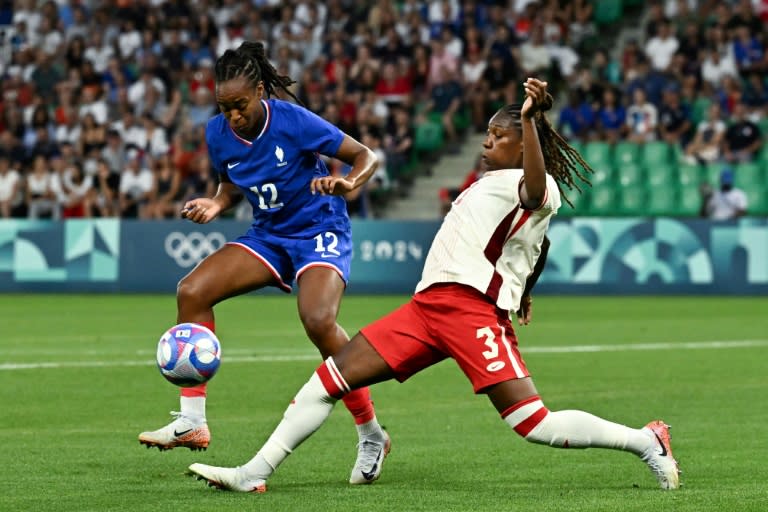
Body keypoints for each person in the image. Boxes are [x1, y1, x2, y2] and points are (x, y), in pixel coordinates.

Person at [187, 78, 680, 493]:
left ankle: (645, 441)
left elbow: (533, 197)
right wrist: (527, 287)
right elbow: (535, 246)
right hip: (425, 310)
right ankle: (253, 472)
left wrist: (529, 122)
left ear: (523, 143)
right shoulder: (484, 184)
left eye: (497, 136)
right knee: (326, 382)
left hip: (472, 313)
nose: (486, 142)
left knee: (534, 424)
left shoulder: (539, 183)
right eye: (488, 134)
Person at [138, 41, 389, 486]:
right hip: (269, 236)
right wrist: (217, 204)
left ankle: (371, 432)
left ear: (259, 91)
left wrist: (347, 182)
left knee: (318, 320)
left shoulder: (292, 121)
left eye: (240, 105)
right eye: (224, 106)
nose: (232, 115)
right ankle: (191, 421)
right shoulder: (216, 132)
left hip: (319, 231)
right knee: (191, 292)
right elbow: (230, 184)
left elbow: (366, 155)